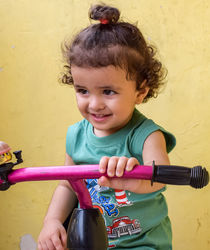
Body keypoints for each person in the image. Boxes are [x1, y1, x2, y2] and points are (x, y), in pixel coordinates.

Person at [38, 4, 176, 250]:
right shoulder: (76, 135)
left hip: (142, 242)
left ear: (140, 91)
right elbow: (67, 184)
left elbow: (161, 176)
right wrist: (52, 221)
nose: (94, 104)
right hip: (91, 241)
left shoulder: (146, 135)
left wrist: (133, 178)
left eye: (108, 92)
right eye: (82, 90)